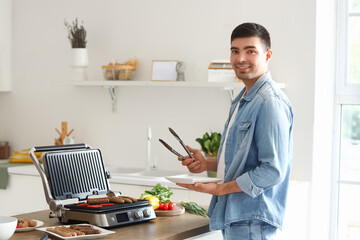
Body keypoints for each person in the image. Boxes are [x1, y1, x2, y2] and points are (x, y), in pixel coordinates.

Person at [177, 22, 293, 240]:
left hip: (252, 220)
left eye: (250, 51)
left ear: (267, 55)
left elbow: (273, 170)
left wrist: (220, 189)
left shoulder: (269, 102)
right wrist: (207, 164)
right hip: (238, 217)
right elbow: (244, 158)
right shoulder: (242, 99)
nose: (240, 59)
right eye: (235, 51)